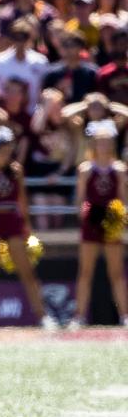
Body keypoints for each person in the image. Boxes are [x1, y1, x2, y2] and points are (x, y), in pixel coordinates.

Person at [0, 127, 58, 330]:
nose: (6, 155)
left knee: (26, 269)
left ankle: (43, 316)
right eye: (2, 150)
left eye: (8, 150)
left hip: (12, 220)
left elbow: (22, 200)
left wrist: (28, 227)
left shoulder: (16, 171)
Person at [72, 120, 128, 328]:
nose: (103, 146)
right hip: (92, 220)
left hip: (112, 220)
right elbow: (80, 200)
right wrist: (87, 217)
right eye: (99, 142)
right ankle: (78, 316)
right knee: (85, 271)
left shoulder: (119, 169)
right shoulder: (86, 169)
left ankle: (124, 315)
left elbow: (123, 199)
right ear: (93, 144)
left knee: (117, 272)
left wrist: (119, 220)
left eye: (106, 142)